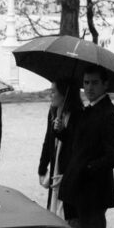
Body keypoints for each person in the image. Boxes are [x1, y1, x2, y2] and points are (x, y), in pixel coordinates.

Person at [58, 65, 114, 228]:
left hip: (92, 192)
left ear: (105, 84)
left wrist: (88, 169)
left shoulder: (109, 113)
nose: (89, 88)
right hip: (76, 190)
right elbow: (77, 143)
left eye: (94, 83)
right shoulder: (88, 111)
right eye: (86, 83)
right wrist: (61, 130)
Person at [37, 79, 83, 217]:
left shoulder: (79, 115)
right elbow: (48, 141)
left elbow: (77, 149)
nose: (51, 95)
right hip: (56, 165)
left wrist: (62, 131)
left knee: (66, 214)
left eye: (53, 92)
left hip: (67, 172)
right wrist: (42, 167)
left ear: (64, 94)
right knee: (53, 211)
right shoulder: (53, 112)